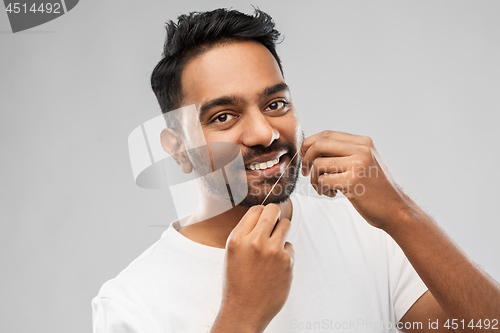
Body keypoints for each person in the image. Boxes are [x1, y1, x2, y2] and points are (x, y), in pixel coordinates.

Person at [92, 8, 500, 333]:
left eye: (275, 104)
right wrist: (241, 317)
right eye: (223, 117)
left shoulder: (363, 229)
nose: (264, 132)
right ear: (178, 150)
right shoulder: (131, 304)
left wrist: (402, 215)